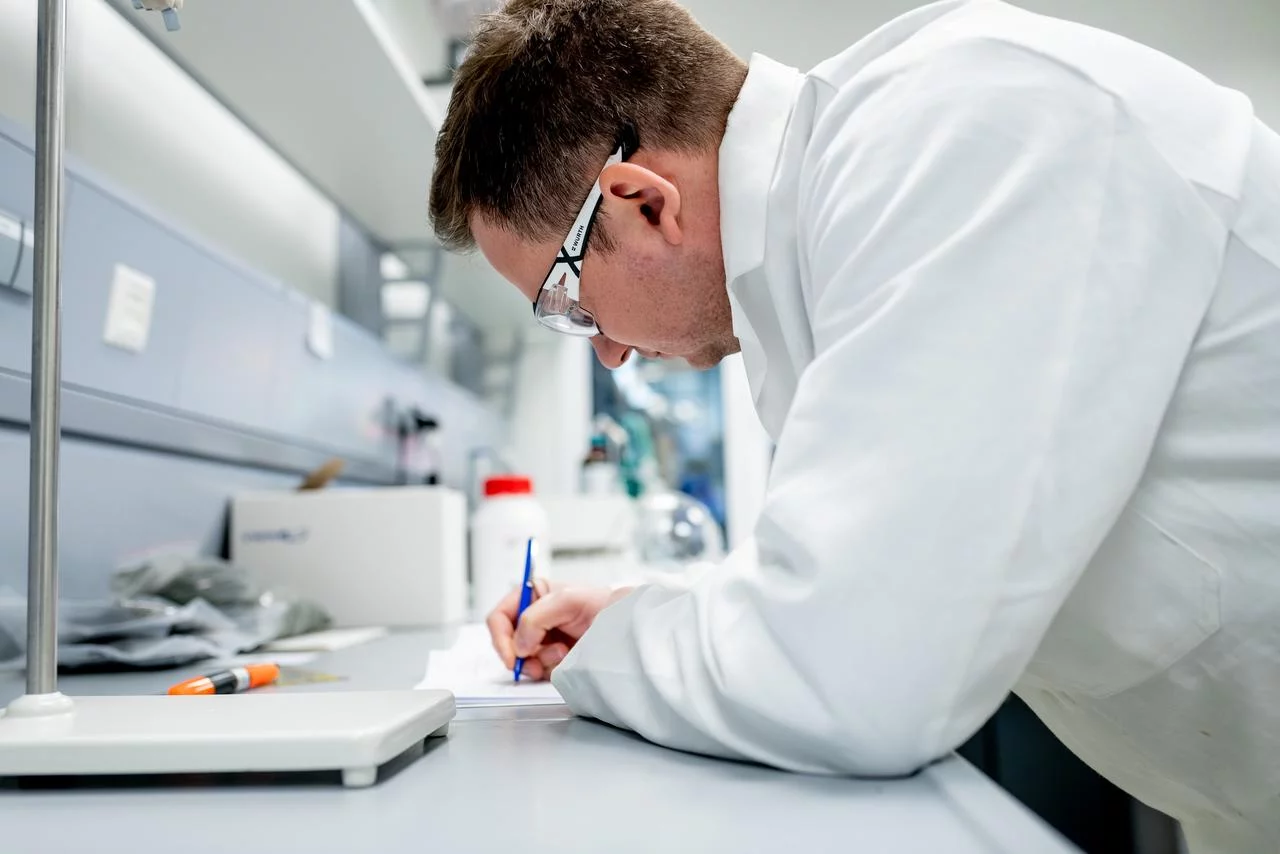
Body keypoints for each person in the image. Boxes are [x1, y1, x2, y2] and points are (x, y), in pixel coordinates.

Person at [428, 0, 1280, 850]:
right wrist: (649, 611)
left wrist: (612, 650)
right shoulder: (840, 237)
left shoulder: (970, 128)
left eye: (567, 300)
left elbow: (855, 676)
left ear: (642, 203)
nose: (606, 353)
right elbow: (879, 568)